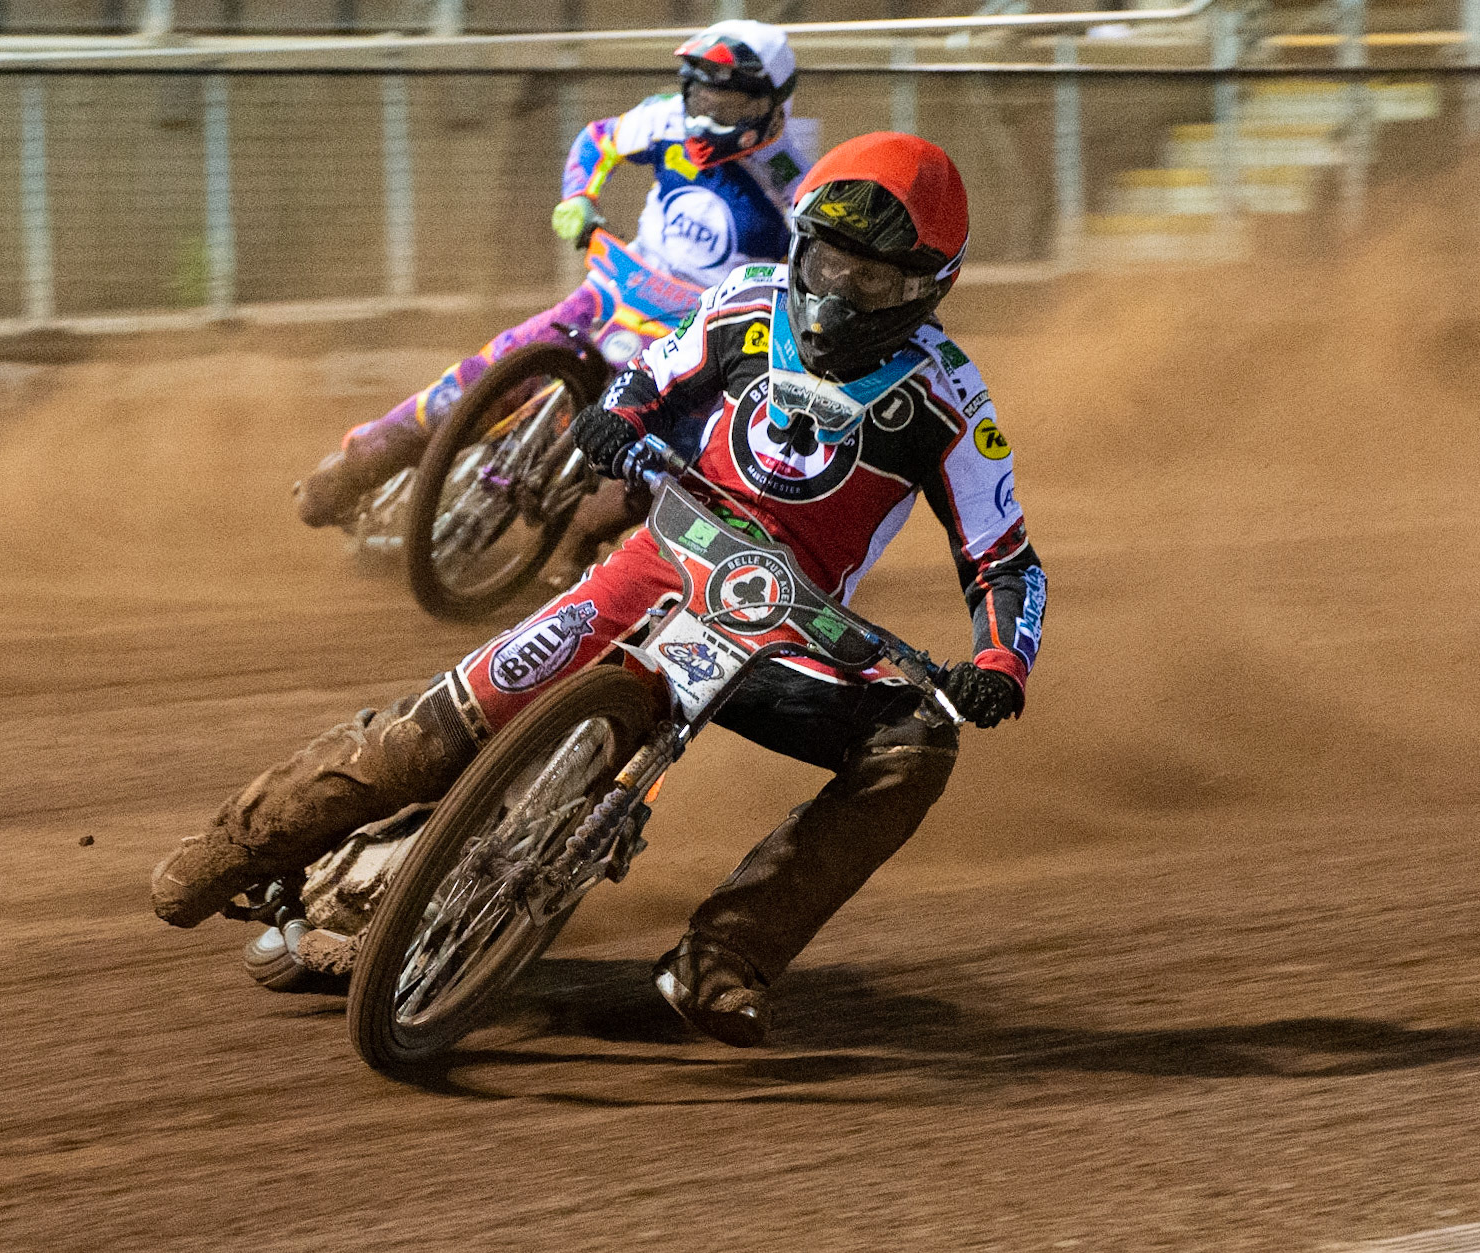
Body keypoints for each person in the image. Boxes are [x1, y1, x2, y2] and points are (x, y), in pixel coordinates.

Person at [157, 132, 1048, 1049]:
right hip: (660, 559)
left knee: (916, 743)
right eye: (828, 264)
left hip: (785, 628)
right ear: (800, 247)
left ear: (927, 288)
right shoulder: (745, 303)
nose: (839, 295)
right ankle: (243, 841)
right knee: (442, 727)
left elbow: (1006, 560)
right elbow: (648, 378)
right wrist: (614, 417)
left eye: (873, 279)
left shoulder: (950, 399)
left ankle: (722, 960)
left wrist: (998, 663)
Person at [294, 18, 818, 531]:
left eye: (727, 105)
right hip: (617, 287)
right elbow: (598, 140)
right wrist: (579, 199)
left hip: (697, 330)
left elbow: (810, 274)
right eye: (700, 98)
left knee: (676, 456)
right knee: (495, 365)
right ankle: (362, 463)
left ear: (773, 105)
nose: (706, 117)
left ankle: (586, 547)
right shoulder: (665, 119)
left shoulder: (794, 183)